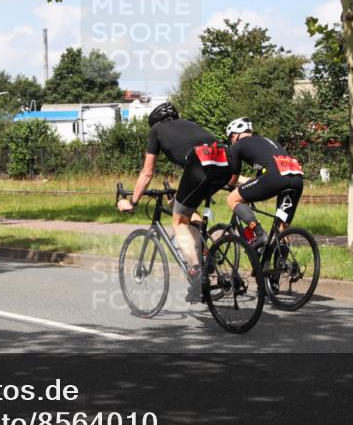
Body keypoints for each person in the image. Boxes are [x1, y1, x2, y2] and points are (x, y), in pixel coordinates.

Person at [117, 103, 236, 297]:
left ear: (155, 122)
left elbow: (147, 172)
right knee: (188, 211)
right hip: (225, 162)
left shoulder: (157, 130)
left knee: (178, 221)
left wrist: (133, 202)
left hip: (200, 165)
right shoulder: (189, 125)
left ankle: (197, 275)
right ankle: (207, 255)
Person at [225, 117, 304, 249]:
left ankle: (259, 233)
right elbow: (262, 174)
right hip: (297, 177)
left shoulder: (238, 145)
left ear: (234, 136)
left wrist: (226, 185)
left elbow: (233, 178)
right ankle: (282, 265)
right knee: (282, 227)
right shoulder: (268, 141)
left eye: (230, 139)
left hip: (275, 177)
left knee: (232, 199)